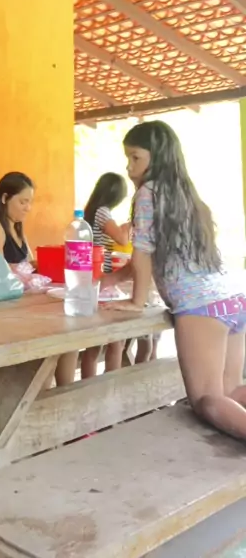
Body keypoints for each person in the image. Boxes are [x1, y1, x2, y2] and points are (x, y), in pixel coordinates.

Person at [105, 119, 246, 441]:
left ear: (158, 158)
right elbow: (154, 254)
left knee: (207, 400)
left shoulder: (147, 193)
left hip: (201, 306)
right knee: (230, 391)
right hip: (234, 300)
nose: (129, 167)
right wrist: (111, 279)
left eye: (135, 158)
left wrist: (137, 301)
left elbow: (142, 252)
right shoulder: (186, 194)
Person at [0, 173, 78, 387]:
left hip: (22, 307)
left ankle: (62, 395)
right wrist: (19, 269)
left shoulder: (16, 227)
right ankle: (44, 396)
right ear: (4, 198)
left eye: (30, 202)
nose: (28, 208)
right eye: (23, 202)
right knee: (52, 339)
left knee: (70, 336)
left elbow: (29, 265)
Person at [81, 173, 129, 379]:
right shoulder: (102, 212)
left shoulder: (93, 210)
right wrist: (133, 223)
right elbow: (122, 239)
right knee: (116, 341)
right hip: (102, 279)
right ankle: (109, 386)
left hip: (96, 278)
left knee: (94, 344)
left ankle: (89, 384)